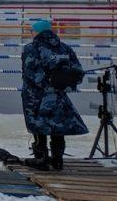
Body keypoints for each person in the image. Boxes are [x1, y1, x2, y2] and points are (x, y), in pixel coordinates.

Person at [21, 19, 87, 171]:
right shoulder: (64, 48)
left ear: (37, 32)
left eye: (32, 31)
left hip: (36, 96)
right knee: (57, 125)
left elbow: (31, 74)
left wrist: (45, 87)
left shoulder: (31, 48)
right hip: (58, 95)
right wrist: (61, 85)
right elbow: (78, 72)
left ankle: (41, 159)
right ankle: (57, 160)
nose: (31, 33)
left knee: (38, 126)